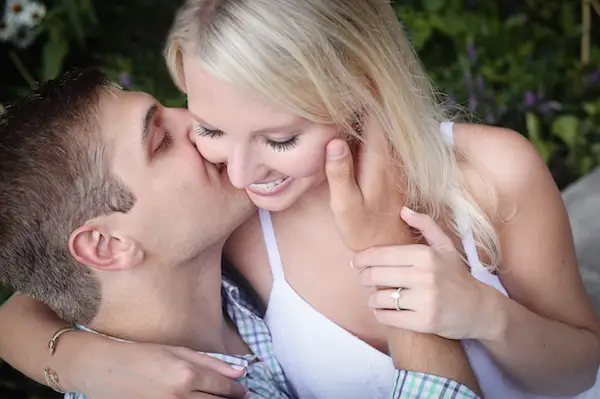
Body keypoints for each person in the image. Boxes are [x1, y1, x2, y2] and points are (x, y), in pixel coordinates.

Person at [1, 0, 599, 398]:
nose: (239, 169)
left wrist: (487, 315)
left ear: (359, 88)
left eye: (280, 138)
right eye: (211, 129)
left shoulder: (493, 170)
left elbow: (579, 367)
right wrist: (83, 363)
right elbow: (41, 286)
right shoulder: (231, 224)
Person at [0, 68, 293, 399]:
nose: (196, 123)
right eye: (161, 142)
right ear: (107, 245)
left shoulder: (227, 252)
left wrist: (77, 360)